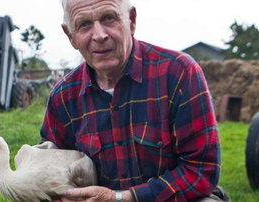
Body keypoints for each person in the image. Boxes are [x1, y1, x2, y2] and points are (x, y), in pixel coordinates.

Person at [40, 0, 227, 201]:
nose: (99, 35)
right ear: (70, 36)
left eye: (109, 18)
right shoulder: (63, 96)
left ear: (131, 20)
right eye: (84, 24)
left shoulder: (178, 73)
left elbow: (201, 170)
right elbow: (49, 166)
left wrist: (123, 198)